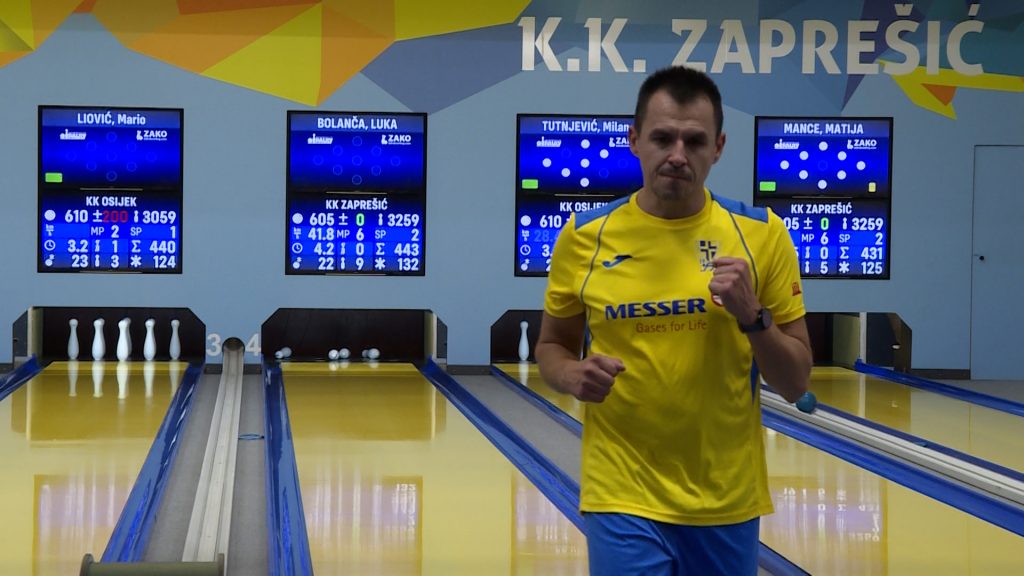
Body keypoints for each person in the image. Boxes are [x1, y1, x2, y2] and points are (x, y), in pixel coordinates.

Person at [535, 65, 812, 575]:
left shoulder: (762, 234)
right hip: (621, 492)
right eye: (663, 138)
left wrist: (753, 316)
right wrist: (570, 374)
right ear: (635, 140)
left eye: (695, 141)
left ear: (719, 147)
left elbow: (796, 382)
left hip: (725, 499)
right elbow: (552, 347)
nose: (678, 155)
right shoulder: (584, 236)